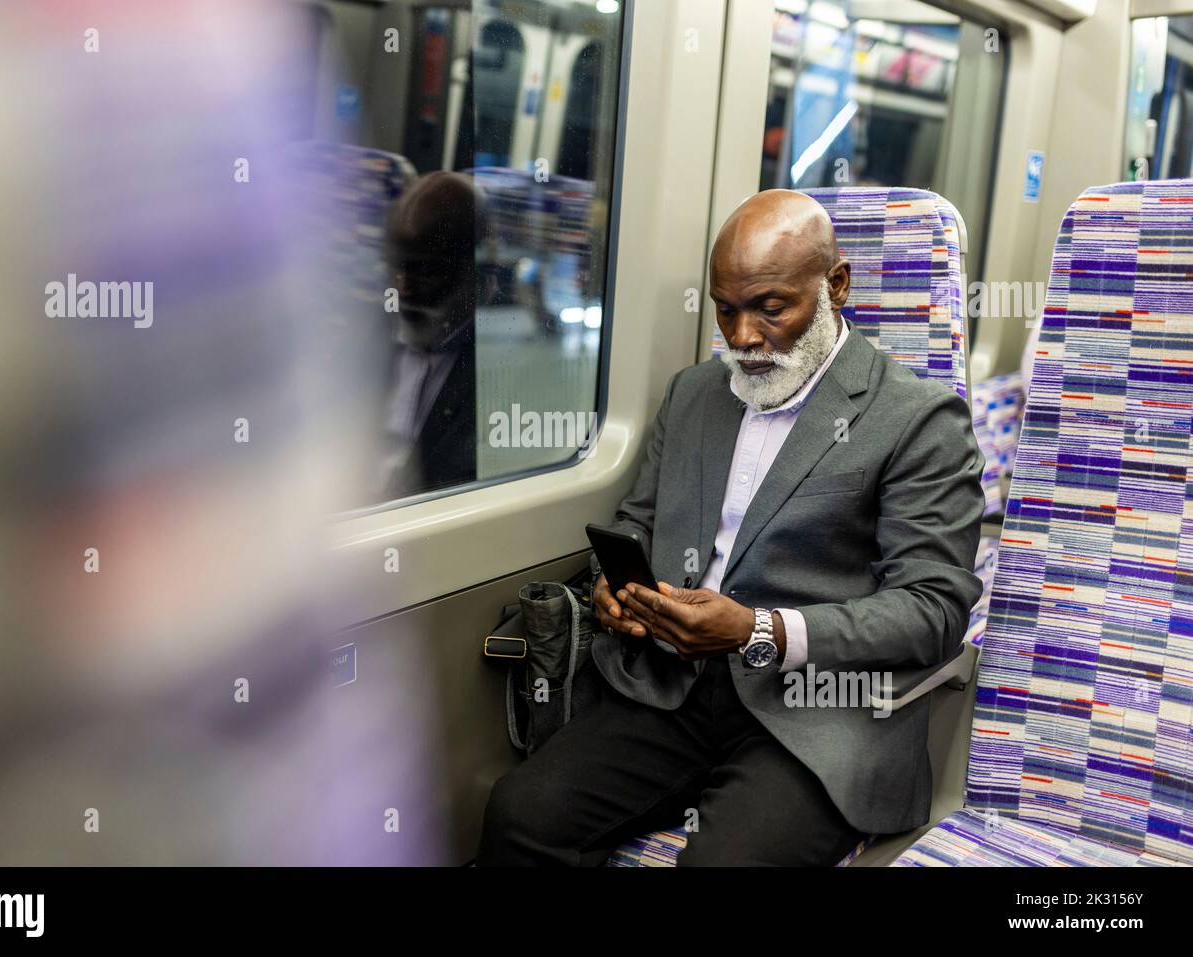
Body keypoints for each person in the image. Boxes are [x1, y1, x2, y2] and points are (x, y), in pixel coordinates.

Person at [477, 189, 985, 866]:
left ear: (835, 286)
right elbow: (636, 523)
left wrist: (758, 629)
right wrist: (613, 593)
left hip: (816, 711)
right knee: (520, 815)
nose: (743, 337)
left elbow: (933, 610)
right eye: (726, 309)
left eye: (772, 308)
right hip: (672, 688)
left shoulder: (916, 418)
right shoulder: (695, 396)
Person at [379, 172, 483, 499]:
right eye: (397, 268)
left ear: (470, 270)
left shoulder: (496, 370)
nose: (403, 288)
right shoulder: (365, 338)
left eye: (425, 270)